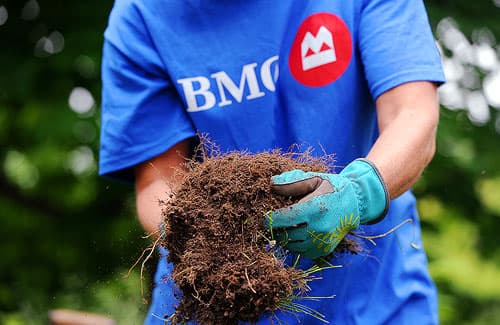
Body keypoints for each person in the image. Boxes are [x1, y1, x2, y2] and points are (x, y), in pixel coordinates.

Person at [99, 0, 445, 324]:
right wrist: (205, 236)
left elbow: (412, 114)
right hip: (214, 301)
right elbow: (157, 182)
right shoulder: (143, 14)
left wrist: (358, 191)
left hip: (370, 298)